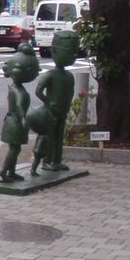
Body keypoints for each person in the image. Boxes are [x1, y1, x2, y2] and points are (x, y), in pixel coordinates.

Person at [35, 29, 80, 171]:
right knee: (50, 136)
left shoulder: (69, 76)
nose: (73, 55)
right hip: (52, 111)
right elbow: (38, 91)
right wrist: (48, 103)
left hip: (63, 110)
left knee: (60, 137)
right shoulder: (50, 74)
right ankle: (47, 161)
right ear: (54, 50)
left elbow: (70, 93)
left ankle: (57, 160)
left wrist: (68, 104)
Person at [0, 43, 40, 181]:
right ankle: (4, 170)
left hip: (10, 120)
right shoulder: (19, 92)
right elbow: (20, 107)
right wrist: (24, 120)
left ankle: (11, 172)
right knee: (14, 149)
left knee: (14, 148)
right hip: (15, 122)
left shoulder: (13, 88)